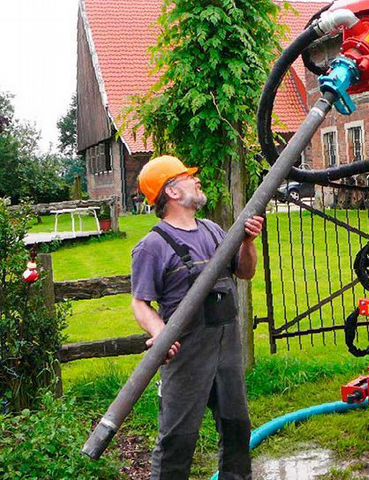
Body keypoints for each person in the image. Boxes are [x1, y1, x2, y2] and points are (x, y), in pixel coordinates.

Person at [131, 155, 264, 479]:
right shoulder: (152, 246)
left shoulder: (214, 231)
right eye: (188, 177)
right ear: (172, 192)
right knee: (178, 441)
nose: (197, 180)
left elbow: (245, 273)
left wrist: (247, 243)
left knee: (237, 430)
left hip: (227, 350)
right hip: (187, 355)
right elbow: (140, 303)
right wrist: (161, 332)